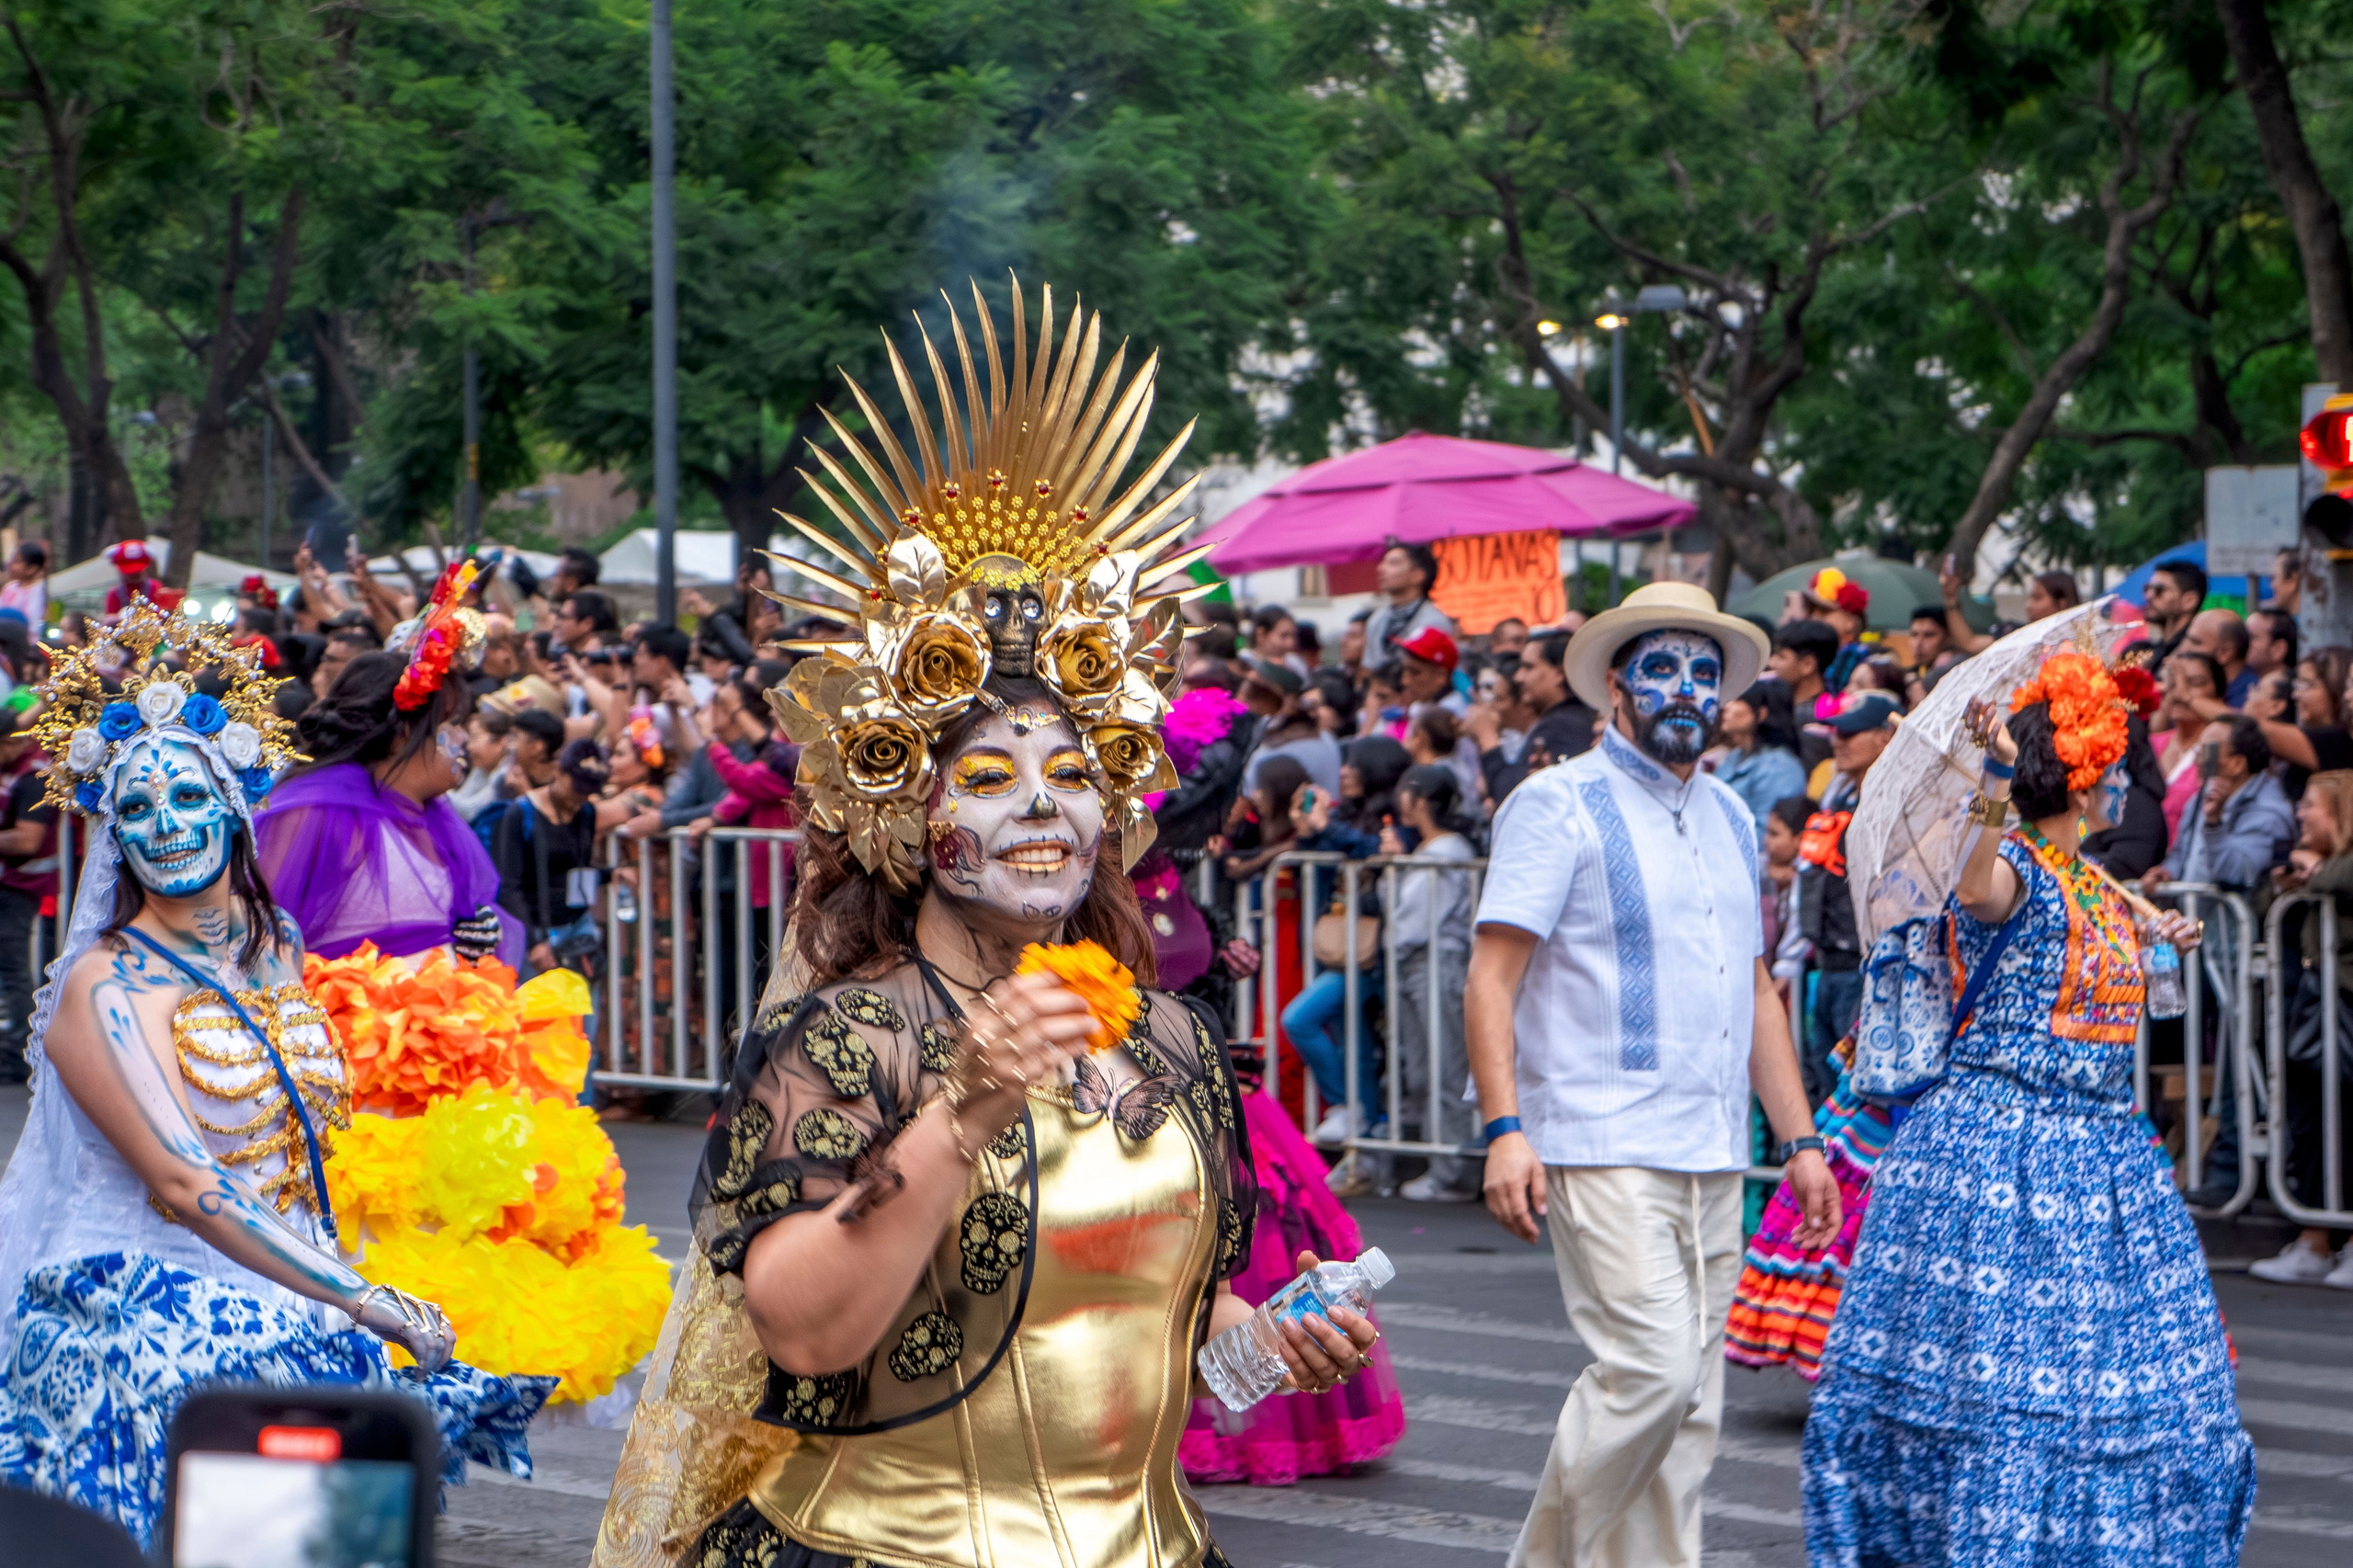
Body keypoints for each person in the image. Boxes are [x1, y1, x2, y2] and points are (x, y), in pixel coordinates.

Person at [605, 283, 1372, 1568]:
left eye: (1073, 777)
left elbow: (1175, 1321)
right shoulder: (850, 1039)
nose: (1042, 809)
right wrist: (960, 1110)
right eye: (990, 775)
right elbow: (804, 1336)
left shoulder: (1173, 1040)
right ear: (912, 816)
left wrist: (1267, 1338)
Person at [0, 607, 545, 1545]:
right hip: (142, 1313)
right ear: (113, 836)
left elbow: (302, 1112)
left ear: (231, 801)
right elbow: (185, 1183)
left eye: (186, 796)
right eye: (135, 808)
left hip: (291, 1289)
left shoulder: (275, 942)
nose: (165, 824)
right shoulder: (106, 985)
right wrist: (360, 1295)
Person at [1802, 657, 2251, 1567]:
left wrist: (2156, 936)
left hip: (2103, 1155)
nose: (2128, 779)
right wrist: (1996, 772)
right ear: (2082, 773)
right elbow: (1974, 891)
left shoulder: (2102, 884)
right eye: (2116, 762)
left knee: (2118, 1387)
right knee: (1999, 1386)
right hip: (1996, 1152)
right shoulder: (2008, 861)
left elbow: (2130, 997)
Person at [1466, 581, 1838, 1568]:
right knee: (1652, 1372)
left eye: (1703, 672)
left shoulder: (1724, 811)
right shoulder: (1554, 803)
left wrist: (1799, 1139)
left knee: (1690, 1416)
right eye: (1662, 667)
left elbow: (1755, 988)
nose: (1685, 688)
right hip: (1597, 1135)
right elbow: (1491, 976)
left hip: (1711, 1144)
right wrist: (1505, 1127)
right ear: (1617, 687)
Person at [255, 571, 520, 970]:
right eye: (451, 726)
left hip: (444, 1022)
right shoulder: (318, 812)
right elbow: (262, 942)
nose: (463, 740)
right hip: (348, 1023)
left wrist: (478, 937)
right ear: (403, 734)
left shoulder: (435, 818)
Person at [2251, 768, 2353, 1288]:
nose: (2300, 813)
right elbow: (2269, 910)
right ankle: (2316, 1236)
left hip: (2344, 1004)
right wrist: (2286, 883)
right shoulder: (2313, 863)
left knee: (2348, 1118)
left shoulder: (2339, 865)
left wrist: (2322, 870)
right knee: (2315, 1118)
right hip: (2319, 1007)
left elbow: (2342, 879)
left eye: (2311, 805)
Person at [1381, 764, 1483, 1202]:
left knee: (1446, 1069)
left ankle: (1453, 1172)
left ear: (1419, 799)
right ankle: (1443, 1166)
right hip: (1419, 963)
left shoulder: (1447, 851)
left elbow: (1414, 922)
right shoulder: (1430, 849)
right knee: (1425, 1067)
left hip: (1436, 962)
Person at [1791, 692, 1899, 1105]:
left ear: (1885, 738)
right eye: (1836, 732)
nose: (1838, 741)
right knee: (1821, 1077)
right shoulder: (1839, 796)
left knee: (1854, 1086)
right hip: (1824, 962)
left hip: (1865, 964)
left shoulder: (1896, 802)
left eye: (1852, 733)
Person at [492, 737, 609, 979]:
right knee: (543, 1014)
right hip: (537, 930)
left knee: (583, 1013)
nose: (580, 798)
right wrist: (534, 943)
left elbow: (576, 872)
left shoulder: (586, 812)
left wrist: (611, 874)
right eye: (577, 789)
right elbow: (508, 886)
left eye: (588, 793)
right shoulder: (519, 814)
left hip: (579, 928)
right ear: (558, 771)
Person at [2152, 715, 2294, 894]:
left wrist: (2214, 823)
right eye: (2198, 748)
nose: (2198, 758)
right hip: (2193, 917)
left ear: (2237, 764)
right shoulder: (2199, 800)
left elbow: (2238, 872)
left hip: (2238, 921)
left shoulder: (2269, 812)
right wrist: (2166, 873)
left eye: (2208, 749)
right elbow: (2181, 854)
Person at [0, 713, 55, 1083]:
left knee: (14, 968)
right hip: (11, 881)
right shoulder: (15, 770)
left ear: (12, 741)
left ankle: (18, 1052)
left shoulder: (34, 777)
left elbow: (27, 839)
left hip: (23, 887)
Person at [1714, 681, 1808, 838]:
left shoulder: (1780, 767)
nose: (1727, 706)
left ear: (1762, 713)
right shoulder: (1734, 756)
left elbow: (1764, 836)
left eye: (1737, 700)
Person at [1239, 657, 1341, 796]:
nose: (1245, 698)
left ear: (1290, 703)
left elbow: (1250, 799)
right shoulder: (1324, 736)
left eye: (1260, 692)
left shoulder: (1276, 753)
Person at [1359, 540, 1459, 678]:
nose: (1381, 569)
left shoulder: (1435, 623)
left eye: (1394, 563)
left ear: (1418, 575)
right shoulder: (1377, 620)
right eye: (1383, 562)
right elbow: (1367, 671)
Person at [2156, 650, 2225, 838]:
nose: (2180, 691)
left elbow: (2241, 723)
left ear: (2218, 699)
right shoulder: (2153, 743)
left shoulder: (2220, 753)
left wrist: (2187, 697)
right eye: (2174, 682)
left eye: (2194, 683)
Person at [2141, 557, 2207, 672]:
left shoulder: (2195, 653)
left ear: (2189, 601)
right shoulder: (2146, 650)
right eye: (2147, 588)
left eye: (2159, 590)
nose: (2148, 596)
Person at [2183, 608, 2254, 707]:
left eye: (2195, 642)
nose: (2184, 649)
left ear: (2225, 652)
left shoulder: (2251, 694)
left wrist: (2184, 697)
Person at [0, 540, 48, 626]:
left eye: (17, 562)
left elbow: (33, 620)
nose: (11, 565)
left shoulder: (37, 591)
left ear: (31, 569)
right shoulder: (10, 587)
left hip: (23, 637)